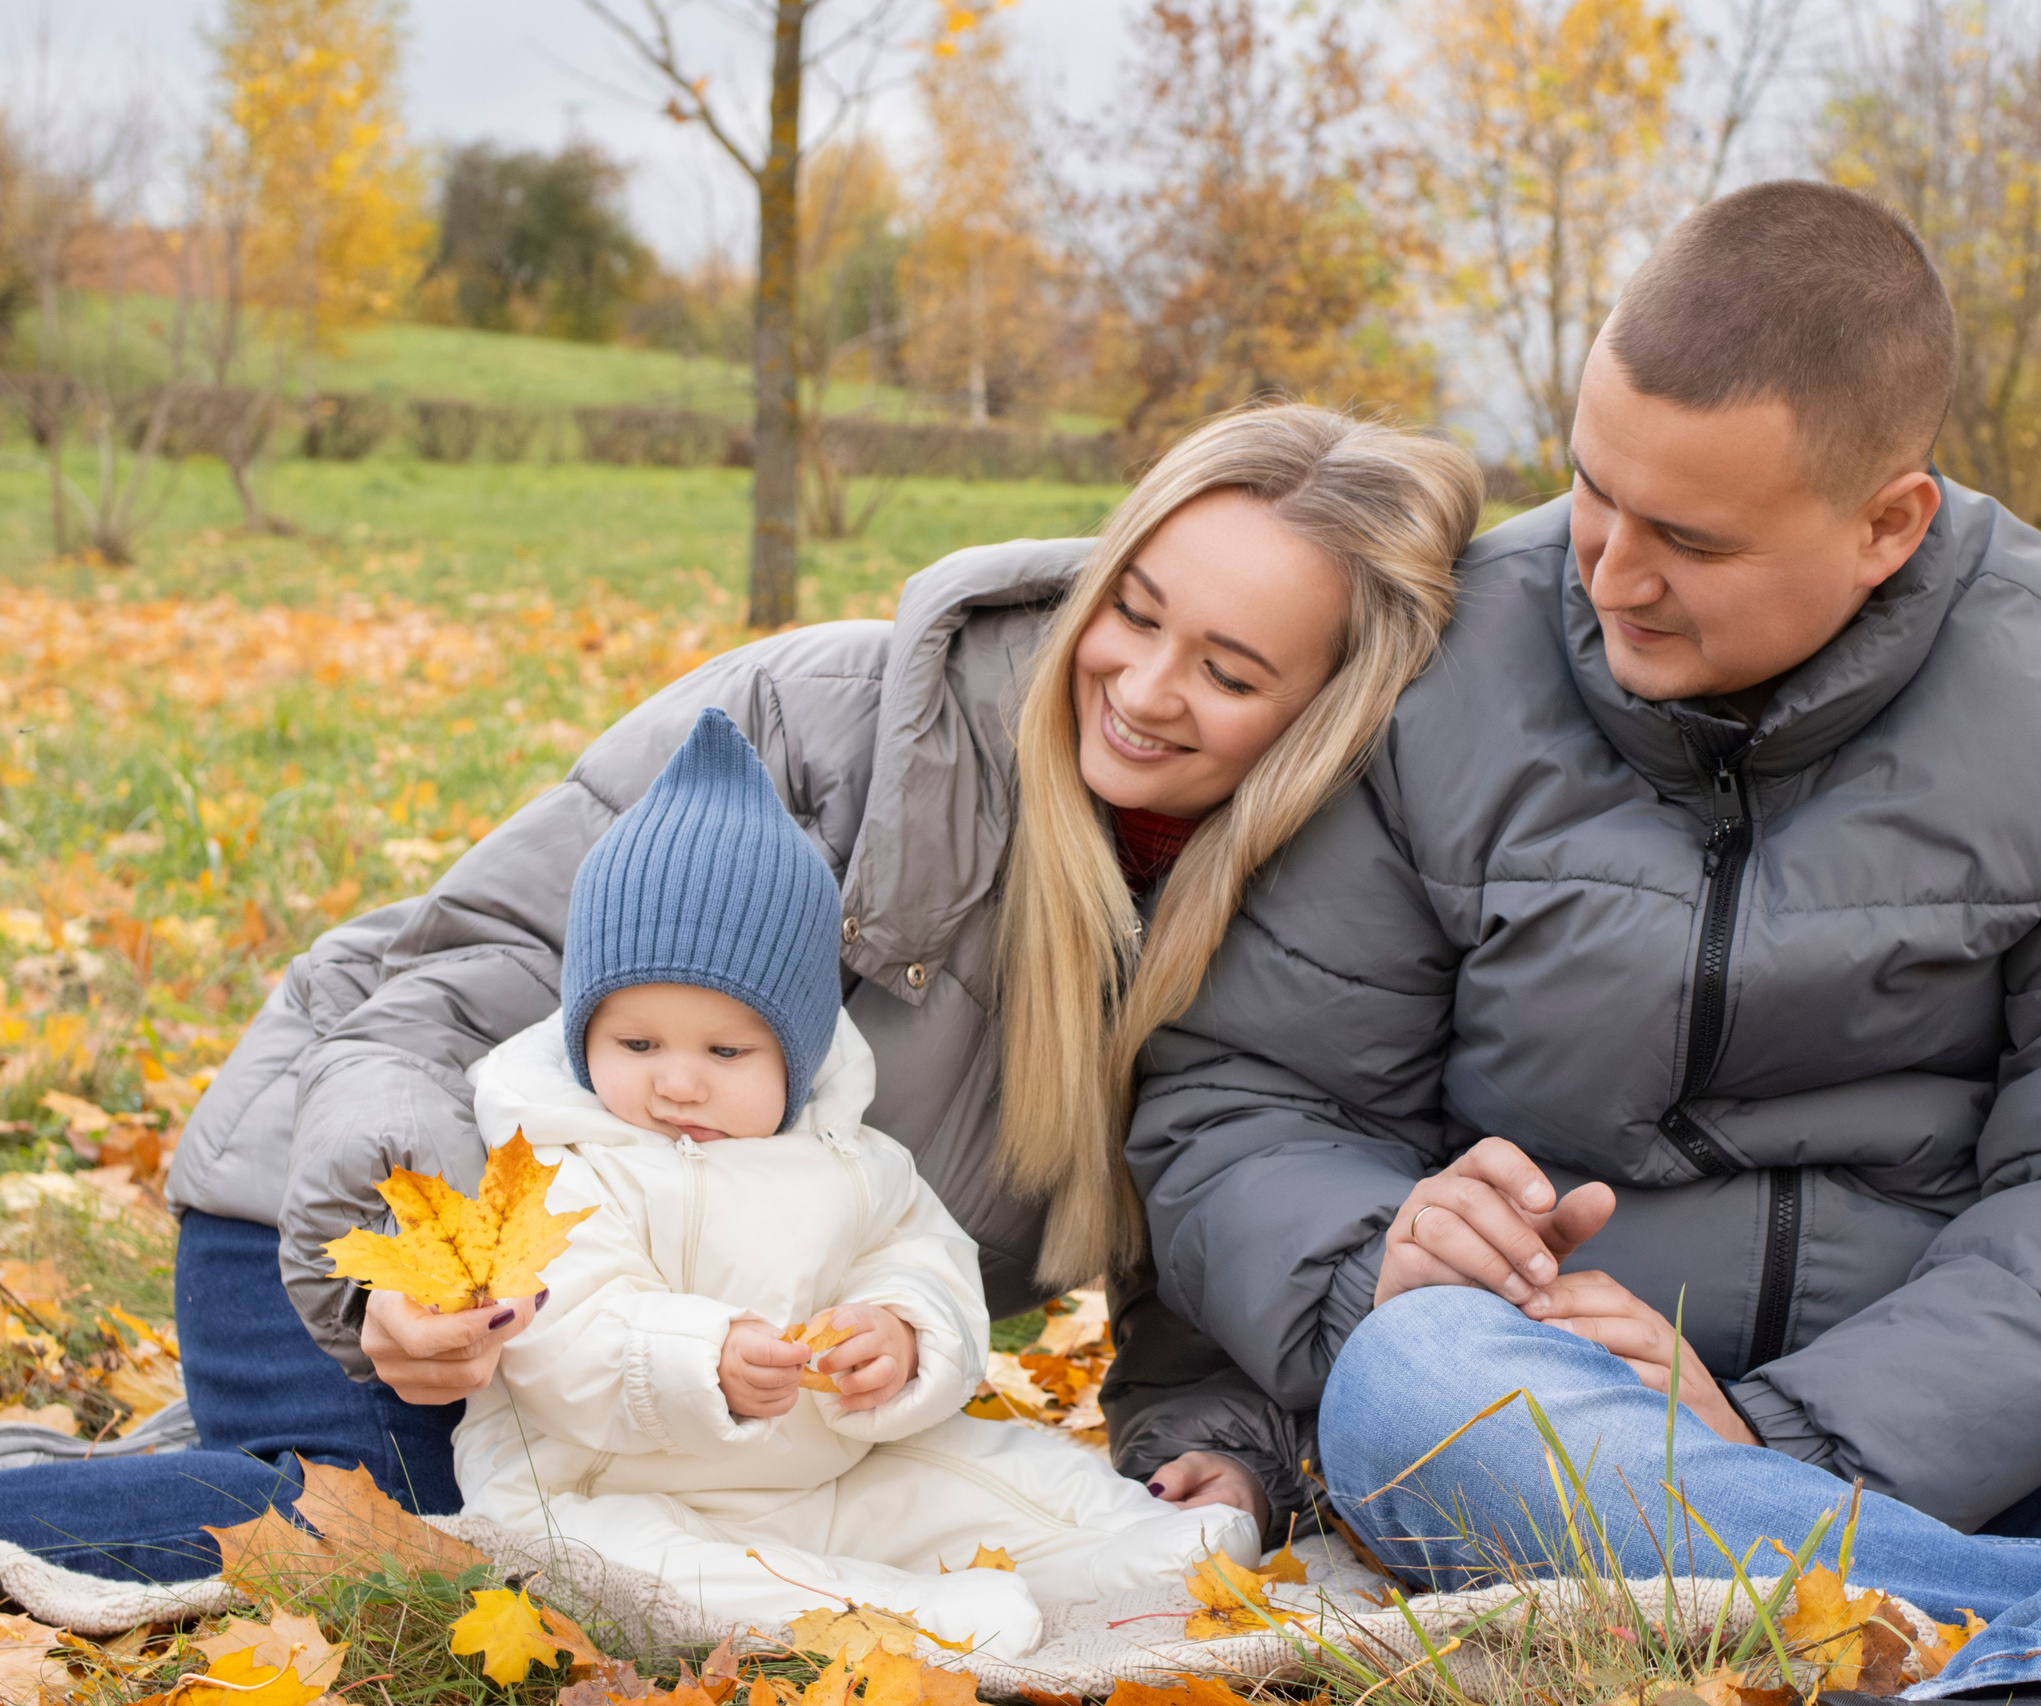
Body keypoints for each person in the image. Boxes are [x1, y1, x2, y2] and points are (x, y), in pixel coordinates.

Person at [1112, 182, 2041, 1706]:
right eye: (1594, 488)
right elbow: (1249, 1094)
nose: (1606, 574)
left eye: (1691, 539)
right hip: (1554, 1426)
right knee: (1412, 1385)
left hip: (1981, 1434)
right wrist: (1375, 1256)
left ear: (1888, 522)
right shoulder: (1441, 659)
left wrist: (1789, 1434)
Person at [0, 404, 1480, 1583]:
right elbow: (454, 986)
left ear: (1328, 711)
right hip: (356, 1212)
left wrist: (1224, 1442)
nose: (1146, 686)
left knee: (653, 1537)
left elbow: (1224, 1191)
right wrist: (396, 1260)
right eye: (1134, 610)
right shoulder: (837, 724)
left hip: (656, 1367)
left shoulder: (1292, 913)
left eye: (1226, 670)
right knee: (417, 1550)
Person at [451, 707, 1256, 1651]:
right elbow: (561, 1332)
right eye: (635, 1043)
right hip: (612, 1486)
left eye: (725, 1049)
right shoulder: (554, 1159)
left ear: (798, 1051)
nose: (675, 1081)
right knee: (630, 1572)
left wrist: (903, 1332)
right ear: (584, 1031)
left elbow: (925, 1260)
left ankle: (1134, 1547)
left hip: (826, 1477)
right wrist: (697, 1358)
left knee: (996, 1473)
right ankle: (881, 1621)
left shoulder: (849, 1157)